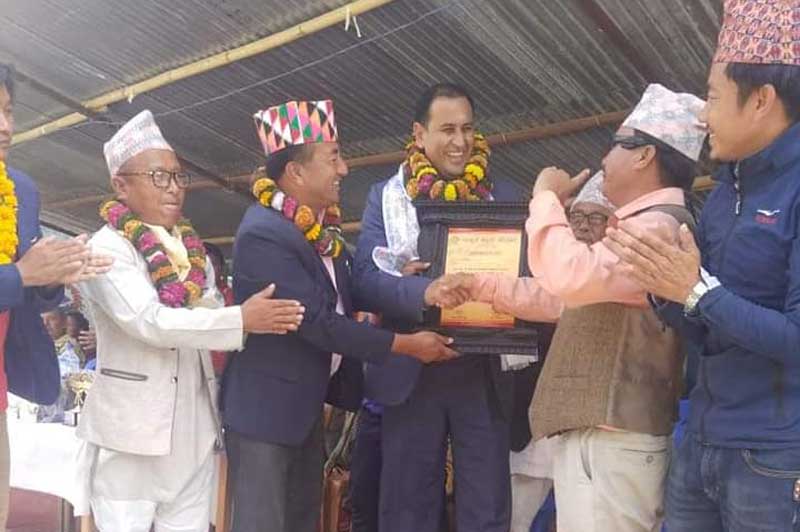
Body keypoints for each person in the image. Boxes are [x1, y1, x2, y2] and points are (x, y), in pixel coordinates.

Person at [605, 2, 800, 530]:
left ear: (761, 100)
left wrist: (696, 291)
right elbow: (707, 332)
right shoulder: (724, 193)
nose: (702, 116)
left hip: (775, 457)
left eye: (712, 97)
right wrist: (661, 286)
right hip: (702, 441)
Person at [222, 99, 458, 532]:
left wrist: (406, 283)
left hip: (303, 412)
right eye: (333, 158)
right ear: (295, 172)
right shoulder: (264, 233)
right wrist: (405, 346)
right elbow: (317, 322)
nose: (344, 169)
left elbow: (353, 292)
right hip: (265, 417)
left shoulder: (318, 234)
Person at [478, 83, 705, 532]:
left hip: (612, 442)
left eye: (616, 143)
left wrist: (545, 198)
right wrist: (478, 285)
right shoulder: (641, 225)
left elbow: (570, 275)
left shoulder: (658, 227)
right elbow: (562, 297)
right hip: (602, 440)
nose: (605, 158)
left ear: (644, 156)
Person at [76, 109, 306, 532]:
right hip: (132, 437)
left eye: (178, 176)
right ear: (121, 186)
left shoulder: (190, 248)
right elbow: (150, 322)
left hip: (194, 435)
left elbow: (209, 306)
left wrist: (229, 318)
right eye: (158, 176)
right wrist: (241, 320)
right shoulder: (106, 248)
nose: (174, 188)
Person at [351, 83, 527, 532]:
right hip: (414, 365)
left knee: (486, 510)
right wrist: (423, 291)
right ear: (419, 133)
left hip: (482, 369)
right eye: (447, 129)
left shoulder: (504, 195)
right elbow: (365, 279)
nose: (460, 141)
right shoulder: (386, 197)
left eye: (467, 129)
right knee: (407, 510)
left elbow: (531, 274)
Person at [470, 172, 615, 532]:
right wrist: (474, 285)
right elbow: (533, 297)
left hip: (596, 431)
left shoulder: (616, 274)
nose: (583, 226)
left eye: (595, 218)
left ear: (615, 225)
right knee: (515, 520)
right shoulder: (544, 264)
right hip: (534, 427)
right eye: (575, 217)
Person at [0, 62, 112, 527]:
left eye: (9, 111)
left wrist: (53, 274)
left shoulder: (20, 191)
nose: (5, 126)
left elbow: (31, 291)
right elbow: (17, 275)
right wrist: (21, 274)